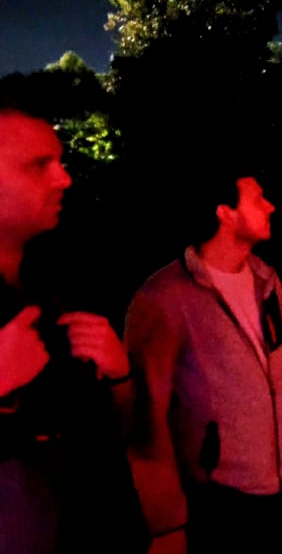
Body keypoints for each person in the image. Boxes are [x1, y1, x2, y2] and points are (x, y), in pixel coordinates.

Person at [122, 167, 282, 554]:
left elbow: (280, 362)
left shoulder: (267, 278)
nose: (271, 206)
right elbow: (147, 417)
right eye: (257, 199)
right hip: (226, 496)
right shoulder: (163, 299)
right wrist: (167, 520)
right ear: (225, 213)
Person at [0, 103, 147, 553]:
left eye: (60, 162)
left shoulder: (59, 279)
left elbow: (121, 430)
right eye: (39, 165)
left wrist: (120, 375)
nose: (64, 178)